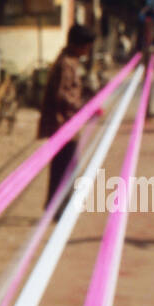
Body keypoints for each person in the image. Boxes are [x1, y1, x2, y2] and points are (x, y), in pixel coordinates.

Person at [38, 23, 96, 219]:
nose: (87, 51)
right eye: (86, 46)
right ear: (77, 45)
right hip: (62, 124)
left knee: (64, 166)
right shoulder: (66, 64)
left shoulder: (71, 62)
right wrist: (85, 108)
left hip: (68, 123)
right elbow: (62, 94)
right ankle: (58, 208)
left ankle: (57, 206)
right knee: (66, 166)